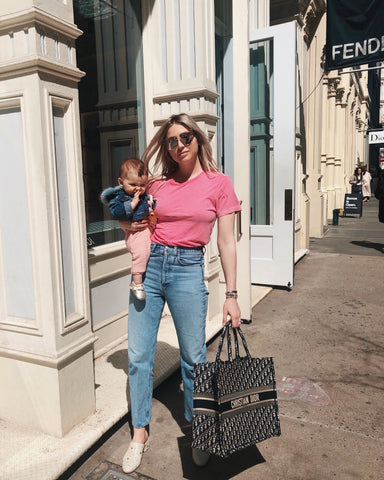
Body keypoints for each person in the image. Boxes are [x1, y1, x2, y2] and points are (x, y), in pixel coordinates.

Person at [119, 113, 242, 473]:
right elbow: (130, 218)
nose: (178, 146)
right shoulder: (157, 184)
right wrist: (127, 220)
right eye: (171, 141)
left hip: (189, 270)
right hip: (150, 269)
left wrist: (232, 295)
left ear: (198, 139)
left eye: (185, 137)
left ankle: (199, 429)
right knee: (139, 355)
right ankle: (139, 432)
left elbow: (226, 241)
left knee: (193, 358)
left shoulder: (219, 184)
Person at [100, 158, 156, 300]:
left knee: (148, 251)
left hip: (145, 230)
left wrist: (150, 203)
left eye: (142, 185)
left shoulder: (142, 195)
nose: (138, 189)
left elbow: (150, 205)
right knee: (141, 253)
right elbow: (117, 212)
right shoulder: (120, 198)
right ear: (121, 183)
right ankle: (136, 283)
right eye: (133, 184)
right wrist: (132, 204)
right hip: (135, 234)